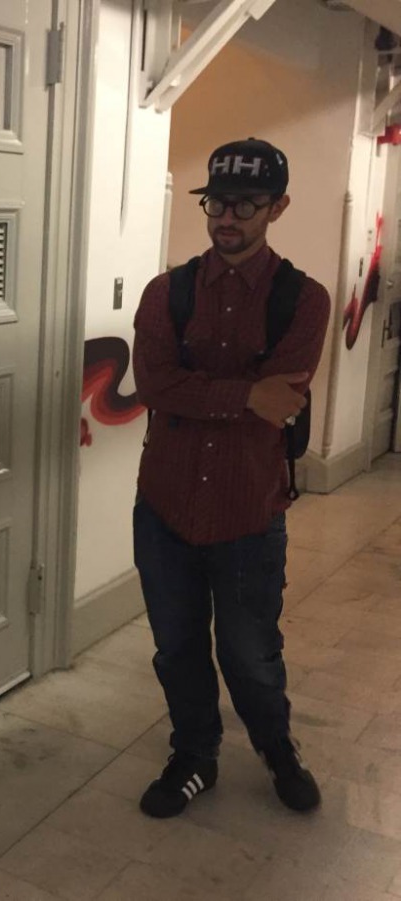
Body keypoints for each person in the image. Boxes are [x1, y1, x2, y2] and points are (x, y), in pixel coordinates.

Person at [131, 138, 331, 818]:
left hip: (249, 512)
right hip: (164, 508)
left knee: (250, 654)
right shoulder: (168, 292)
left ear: (277, 207)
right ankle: (195, 754)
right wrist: (246, 395)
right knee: (176, 645)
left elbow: (286, 392)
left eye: (246, 204)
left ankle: (276, 746)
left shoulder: (304, 301)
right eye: (218, 200)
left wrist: (206, 391)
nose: (228, 216)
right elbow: (155, 381)